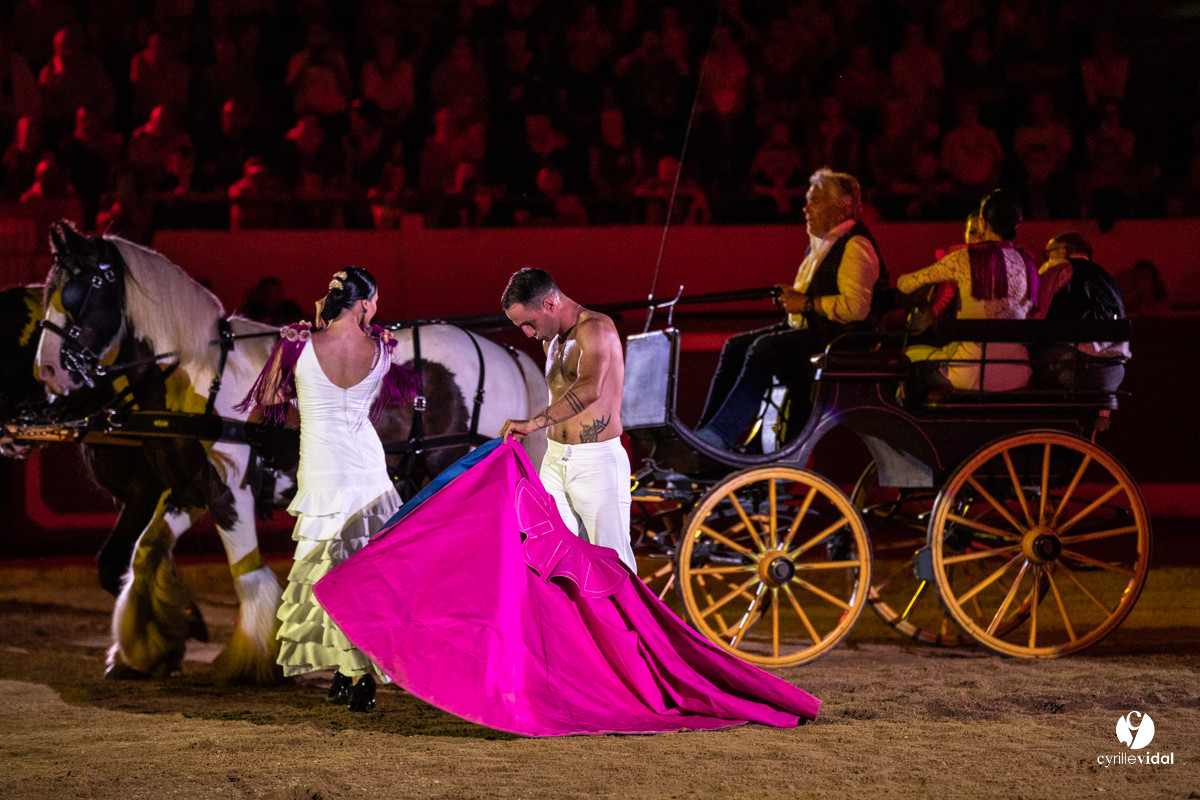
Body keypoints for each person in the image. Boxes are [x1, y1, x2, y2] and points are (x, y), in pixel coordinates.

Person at [238, 267, 419, 713]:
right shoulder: (380, 347)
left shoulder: (297, 343)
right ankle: (351, 670)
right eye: (374, 301)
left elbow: (271, 405)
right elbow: (381, 401)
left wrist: (307, 403)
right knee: (363, 574)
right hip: (368, 471)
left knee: (326, 575)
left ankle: (352, 674)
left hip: (323, 471)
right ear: (364, 304)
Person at [694, 168, 887, 449]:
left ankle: (720, 435)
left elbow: (856, 309)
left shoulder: (856, 245)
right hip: (818, 332)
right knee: (735, 346)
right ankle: (706, 433)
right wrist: (795, 299)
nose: (805, 208)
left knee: (765, 348)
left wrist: (806, 303)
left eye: (815, 201)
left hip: (843, 341)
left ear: (839, 209)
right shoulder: (822, 246)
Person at [499, 268, 636, 572]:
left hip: (597, 462)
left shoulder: (597, 328)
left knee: (614, 560)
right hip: (554, 460)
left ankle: (631, 621)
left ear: (550, 304)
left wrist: (533, 424)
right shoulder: (551, 341)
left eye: (528, 323)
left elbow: (589, 389)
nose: (527, 333)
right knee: (548, 555)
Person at [897, 189, 1039, 391]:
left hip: (974, 372)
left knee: (908, 361)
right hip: (1018, 373)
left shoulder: (965, 258)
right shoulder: (1029, 263)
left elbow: (906, 284)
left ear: (982, 222)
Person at [1032, 231, 1129, 391]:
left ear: (1062, 251)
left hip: (1072, 367)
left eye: (1047, 254)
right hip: (1113, 372)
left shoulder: (1058, 270)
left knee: (1022, 363)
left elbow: (1036, 319)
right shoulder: (1109, 280)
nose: (1046, 259)